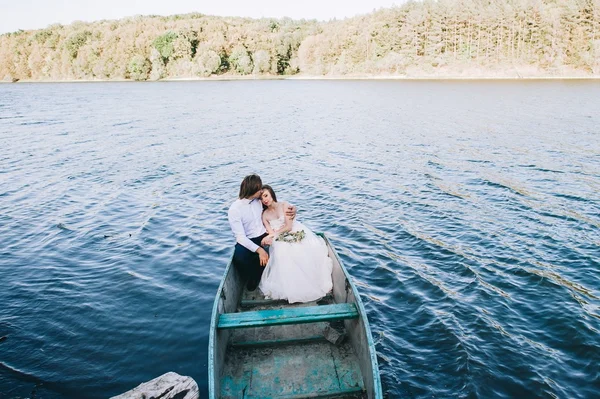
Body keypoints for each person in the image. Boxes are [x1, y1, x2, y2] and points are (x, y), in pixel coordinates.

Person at [258, 185, 333, 303]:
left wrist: (272, 235)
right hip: (279, 237)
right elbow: (271, 232)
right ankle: (290, 285)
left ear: (271, 193)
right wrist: (271, 236)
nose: (265, 200)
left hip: (293, 231)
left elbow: (288, 226)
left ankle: (308, 282)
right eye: (261, 199)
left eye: (266, 195)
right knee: (281, 249)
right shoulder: (265, 215)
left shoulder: (285, 205)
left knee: (300, 248)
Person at [228, 174, 295, 291]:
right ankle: (255, 274)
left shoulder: (259, 201)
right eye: (259, 189)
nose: (261, 191)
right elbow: (240, 237)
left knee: (279, 248)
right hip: (247, 239)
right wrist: (260, 251)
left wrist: (293, 209)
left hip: (264, 234)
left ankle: (267, 269)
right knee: (239, 256)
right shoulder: (235, 209)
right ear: (253, 190)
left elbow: (274, 207)